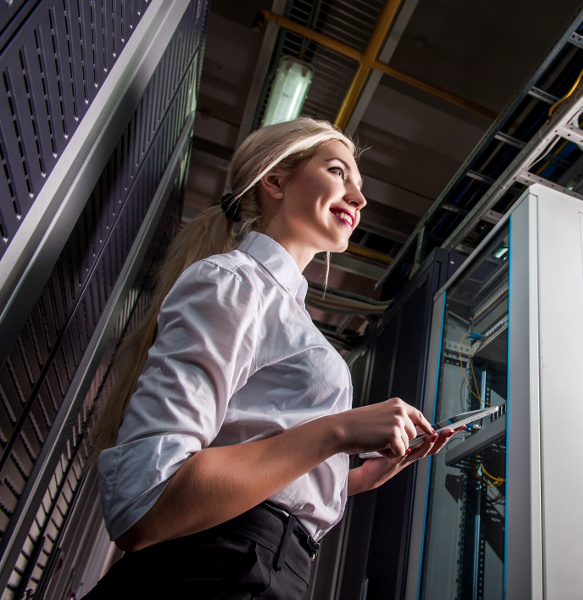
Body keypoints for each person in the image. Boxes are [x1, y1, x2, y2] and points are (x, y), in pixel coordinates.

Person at [84, 117, 456, 599]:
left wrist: (353, 477)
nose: (360, 200)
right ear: (275, 180)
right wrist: (337, 432)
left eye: (359, 186)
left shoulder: (284, 308)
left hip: (266, 568)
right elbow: (143, 503)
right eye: (339, 172)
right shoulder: (234, 282)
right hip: (213, 570)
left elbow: (253, 453)